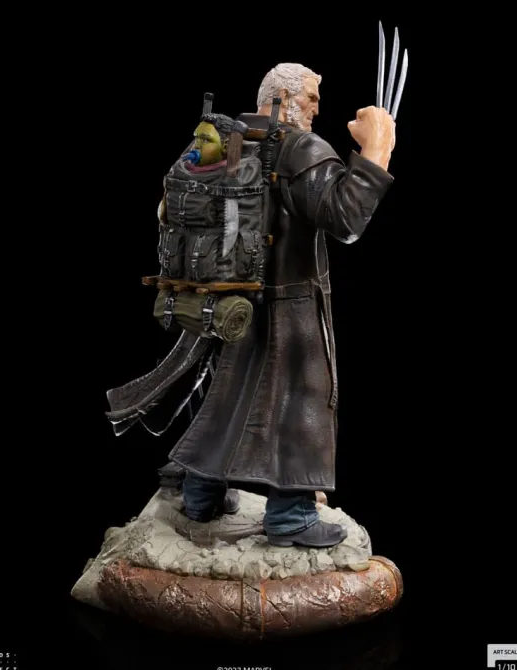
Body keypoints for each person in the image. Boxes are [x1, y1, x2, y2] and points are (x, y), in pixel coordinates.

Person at [106, 63, 396, 548]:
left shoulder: (229, 139)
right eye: (311, 98)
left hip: (229, 303)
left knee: (227, 399)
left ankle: (201, 495)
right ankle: (292, 515)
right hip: (289, 305)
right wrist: (377, 150)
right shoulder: (301, 148)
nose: (317, 108)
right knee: (301, 403)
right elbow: (346, 218)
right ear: (285, 97)